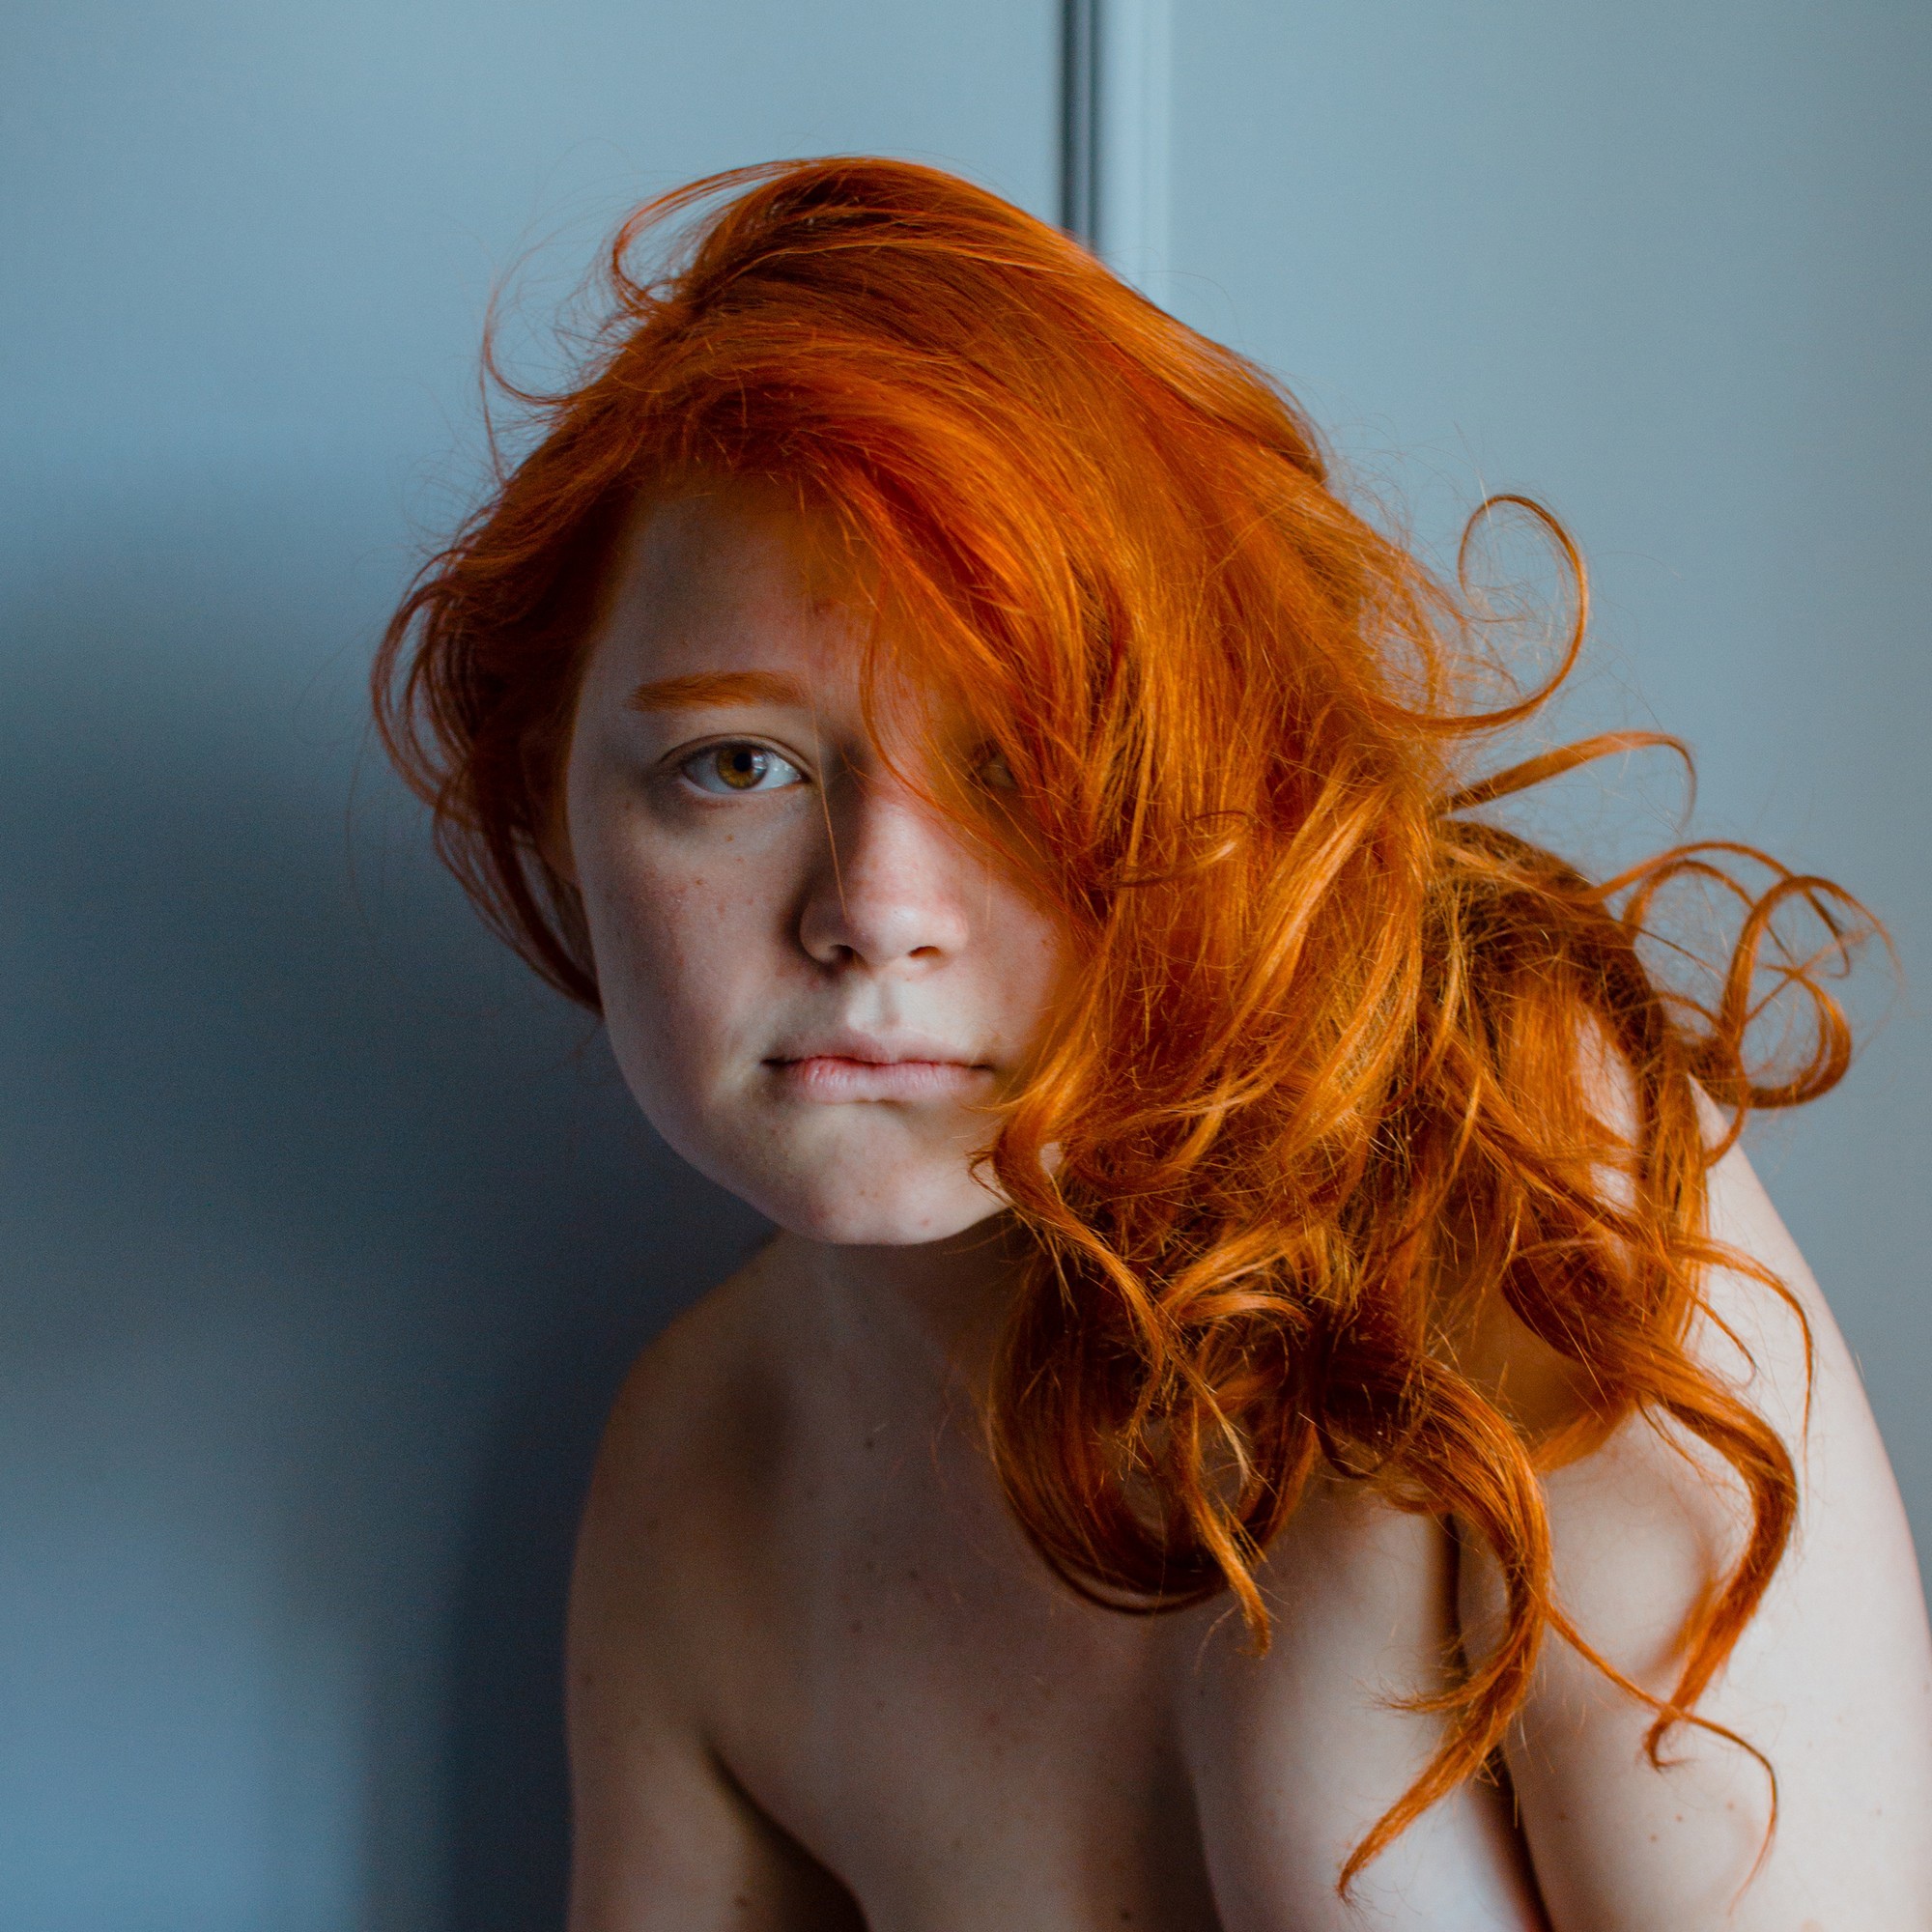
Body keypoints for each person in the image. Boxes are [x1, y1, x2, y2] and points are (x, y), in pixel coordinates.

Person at [375, 156, 1932, 1929]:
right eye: (736, 765)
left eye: (1022, 762)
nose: (875, 911)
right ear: (555, 804)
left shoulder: (1520, 1183)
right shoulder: (709, 1480)